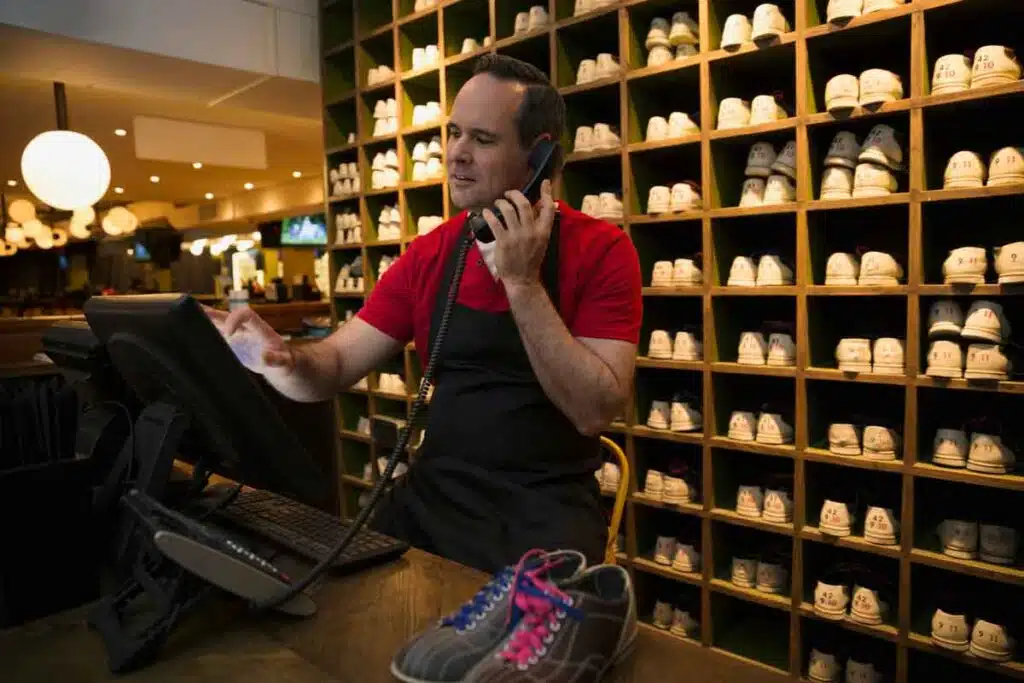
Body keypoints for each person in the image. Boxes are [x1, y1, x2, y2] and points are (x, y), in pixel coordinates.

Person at [208, 54, 642, 573]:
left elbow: (595, 409)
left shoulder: (603, 250)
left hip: (544, 515)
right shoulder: (432, 252)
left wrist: (522, 282)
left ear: (541, 157)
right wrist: (281, 360)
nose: (455, 153)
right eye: (454, 133)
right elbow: (335, 367)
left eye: (482, 140)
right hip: (433, 502)